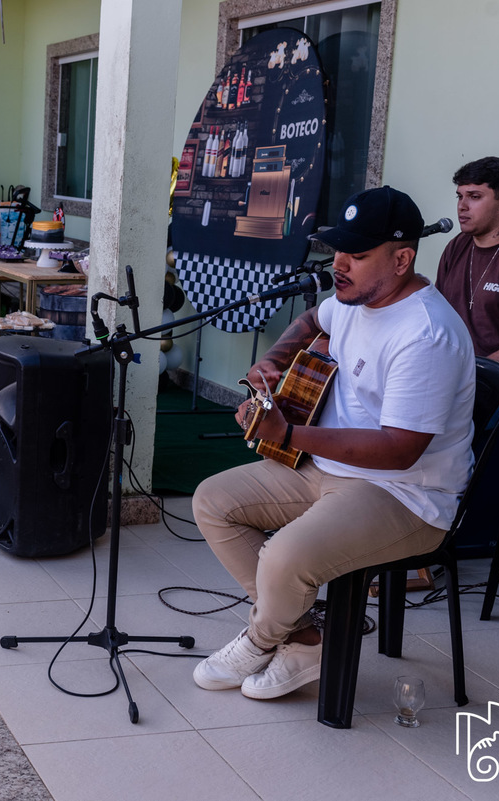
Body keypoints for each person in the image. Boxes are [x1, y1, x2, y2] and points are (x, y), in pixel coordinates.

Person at [191, 186, 476, 700]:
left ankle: (260, 639)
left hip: (406, 493)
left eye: (357, 255)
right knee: (213, 501)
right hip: (325, 468)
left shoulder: (426, 334)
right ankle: (303, 638)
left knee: (284, 556)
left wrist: (288, 433)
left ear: (402, 259)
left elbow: (399, 449)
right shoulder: (354, 298)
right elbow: (311, 320)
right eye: (337, 250)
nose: (339, 264)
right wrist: (273, 361)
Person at [434, 157, 499, 370]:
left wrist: (479, 372)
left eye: (474, 197)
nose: (462, 206)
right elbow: (439, 317)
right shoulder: (456, 246)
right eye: (460, 196)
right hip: (454, 372)